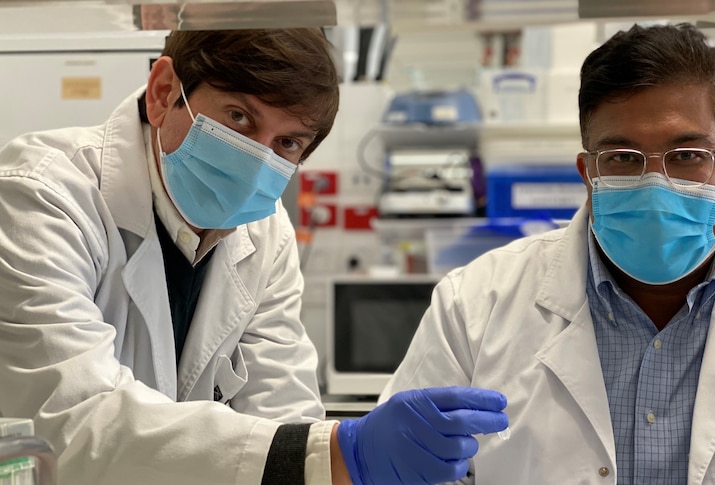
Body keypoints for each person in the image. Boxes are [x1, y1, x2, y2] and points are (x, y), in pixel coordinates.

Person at [0, 29, 507, 485]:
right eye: (238, 117)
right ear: (162, 94)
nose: (255, 160)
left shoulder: (265, 231)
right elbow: (70, 421)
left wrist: (324, 460)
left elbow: (281, 410)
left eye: (287, 142)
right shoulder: (42, 198)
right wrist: (340, 451)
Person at [380, 23, 715, 484]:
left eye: (689, 155)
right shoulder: (473, 306)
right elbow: (402, 473)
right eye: (622, 158)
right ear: (588, 173)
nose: (655, 184)